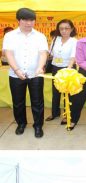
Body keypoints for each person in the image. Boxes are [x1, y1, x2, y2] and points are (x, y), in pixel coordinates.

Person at [3, 8, 48, 138]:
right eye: (25, 20)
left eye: (32, 20)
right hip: (15, 75)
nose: (29, 23)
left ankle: (38, 125)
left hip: (36, 75)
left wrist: (40, 67)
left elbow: (43, 53)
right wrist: (17, 70)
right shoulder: (10, 36)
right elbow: (8, 53)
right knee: (18, 101)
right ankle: (21, 124)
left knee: (38, 101)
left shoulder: (40, 36)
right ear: (18, 20)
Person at [45, 19, 77, 124]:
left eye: (66, 28)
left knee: (67, 93)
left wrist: (68, 70)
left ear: (71, 29)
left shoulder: (74, 41)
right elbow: (50, 54)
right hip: (55, 67)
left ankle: (67, 115)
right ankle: (55, 113)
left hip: (68, 68)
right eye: (61, 28)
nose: (64, 31)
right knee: (56, 91)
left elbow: (73, 57)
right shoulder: (55, 39)